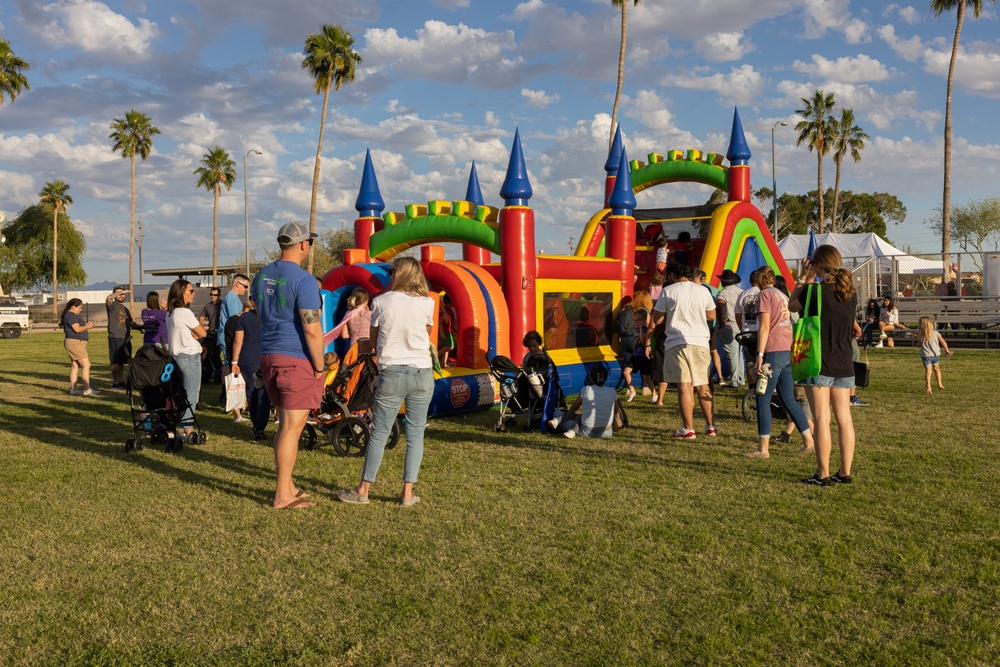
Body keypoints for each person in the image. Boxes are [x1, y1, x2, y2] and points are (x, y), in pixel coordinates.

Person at [339, 256, 435, 508]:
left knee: (379, 433)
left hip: (392, 371)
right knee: (415, 435)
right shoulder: (427, 303)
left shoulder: (381, 301)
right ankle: (407, 493)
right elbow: (426, 335)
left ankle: (363, 490)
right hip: (422, 372)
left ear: (397, 274)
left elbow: (373, 339)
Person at [253, 222, 326, 509]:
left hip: (269, 355)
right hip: (295, 358)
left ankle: (289, 486)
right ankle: (283, 495)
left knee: (285, 425)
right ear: (303, 245)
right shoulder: (304, 279)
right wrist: (319, 366)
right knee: (291, 429)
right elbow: (311, 328)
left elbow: (260, 314)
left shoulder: (261, 275)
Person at [789, 245, 857, 486]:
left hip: (818, 361)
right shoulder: (850, 293)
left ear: (817, 265)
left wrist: (803, 279)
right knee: (844, 419)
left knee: (821, 419)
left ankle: (823, 473)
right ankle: (845, 472)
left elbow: (791, 304)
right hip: (844, 362)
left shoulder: (814, 291)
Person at [745, 267, 814, 459]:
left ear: (759, 280)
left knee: (762, 398)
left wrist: (759, 354)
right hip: (787, 349)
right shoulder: (782, 295)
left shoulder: (764, 296)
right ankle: (809, 440)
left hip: (773, 350)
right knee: (788, 399)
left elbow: (764, 326)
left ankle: (763, 448)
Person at [651, 262, 717, 439]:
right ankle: (710, 426)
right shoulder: (702, 290)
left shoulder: (669, 291)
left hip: (677, 341)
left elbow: (656, 319)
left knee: (684, 386)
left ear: (671, 276)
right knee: (703, 384)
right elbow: (712, 315)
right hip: (701, 340)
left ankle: (688, 428)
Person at [166, 279, 208, 440]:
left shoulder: (170, 312)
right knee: (191, 393)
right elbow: (203, 333)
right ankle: (188, 429)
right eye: (190, 291)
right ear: (181, 293)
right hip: (189, 356)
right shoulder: (184, 312)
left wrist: (194, 333)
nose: (193, 293)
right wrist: (197, 331)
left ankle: (178, 424)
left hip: (176, 355)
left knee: (180, 392)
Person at [546, 366, 621, 438]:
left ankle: (563, 424)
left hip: (586, 431)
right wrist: (617, 420)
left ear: (591, 378)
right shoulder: (612, 391)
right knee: (581, 417)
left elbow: (574, 409)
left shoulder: (586, 390)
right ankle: (569, 427)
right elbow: (616, 411)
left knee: (557, 413)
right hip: (606, 432)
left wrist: (569, 415)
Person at [232, 299, 269, 434]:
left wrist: (234, 362)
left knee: (251, 391)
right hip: (266, 356)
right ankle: (260, 426)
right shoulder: (271, 315)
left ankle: (256, 423)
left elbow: (238, 341)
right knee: (264, 393)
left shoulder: (245, 317)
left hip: (248, 357)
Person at [61, 298, 100, 396]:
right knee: (86, 365)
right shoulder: (71, 316)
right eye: (79, 307)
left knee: (75, 366)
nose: (80, 310)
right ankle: (87, 389)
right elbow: (77, 329)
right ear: (73, 306)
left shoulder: (70, 315)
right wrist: (88, 327)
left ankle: (74, 389)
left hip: (74, 343)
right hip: (75, 343)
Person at [715, 269, 745, 387]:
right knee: (739, 353)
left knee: (732, 354)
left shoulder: (722, 294)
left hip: (728, 324)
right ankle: (740, 378)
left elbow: (720, 304)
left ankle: (734, 381)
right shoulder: (741, 292)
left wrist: (721, 321)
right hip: (740, 324)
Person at [106, 286, 140, 388]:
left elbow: (131, 323)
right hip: (115, 337)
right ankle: (115, 383)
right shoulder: (111, 305)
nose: (121, 295)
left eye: (123, 294)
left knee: (122, 362)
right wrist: (121, 291)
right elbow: (109, 298)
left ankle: (120, 382)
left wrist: (143, 326)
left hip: (125, 338)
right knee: (116, 362)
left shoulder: (125, 309)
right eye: (119, 294)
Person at [218, 273, 251, 366]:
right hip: (229, 338)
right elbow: (236, 322)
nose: (246, 289)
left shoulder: (230, 296)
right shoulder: (233, 298)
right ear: (237, 284)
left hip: (225, 336)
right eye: (245, 286)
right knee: (232, 366)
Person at [917, 316, 952, 394]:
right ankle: (940, 384)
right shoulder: (935, 333)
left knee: (928, 371)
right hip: (936, 354)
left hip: (926, 355)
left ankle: (928, 386)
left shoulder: (921, 334)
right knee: (936, 369)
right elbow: (943, 342)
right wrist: (946, 350)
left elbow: (918, 344)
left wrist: (918, 342)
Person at [199, 287, 222, 383]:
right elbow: (201, 317)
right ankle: (207, 376)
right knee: (206, 355)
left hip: (220, 332)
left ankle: (219, 375)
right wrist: (201, 328)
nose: (213, 296)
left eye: (215, 295)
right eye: (211, 294)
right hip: (211, 332)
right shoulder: (207, 306)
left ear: (219, 295)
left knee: (216, 356)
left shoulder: (223, 305)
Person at [735, 269, 761, 333]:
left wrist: (742, 329)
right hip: (761, 331)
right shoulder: (764, 293)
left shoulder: (742, 294)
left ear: (750, 281)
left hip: (747, 330)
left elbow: (738, 315)